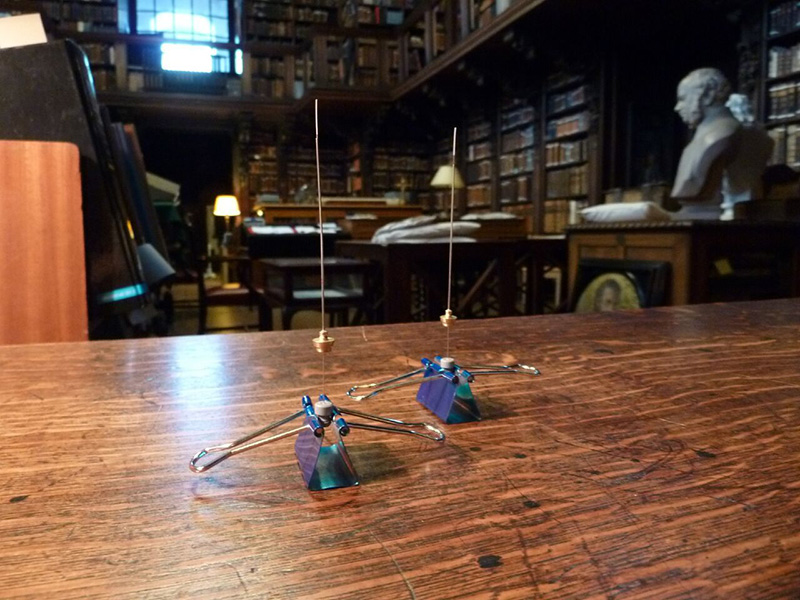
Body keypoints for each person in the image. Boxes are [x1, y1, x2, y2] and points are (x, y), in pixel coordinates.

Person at [671, 68, 773, 220]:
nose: (677, 107)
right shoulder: (708, 135)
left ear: (707, 96)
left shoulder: (720, 136)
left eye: (683, 98)